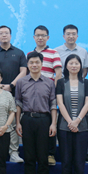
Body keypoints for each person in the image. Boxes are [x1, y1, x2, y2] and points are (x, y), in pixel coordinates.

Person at [15, 51, 57, 174]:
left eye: (37, 62)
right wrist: (18, 122)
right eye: (31, 62)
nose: (34, 65)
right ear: (27, 64)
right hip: (27, 120)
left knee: (43, 157)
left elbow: (53, 104)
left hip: (44, 120)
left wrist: (53, 123)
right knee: (29, 156)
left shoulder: (49, 82)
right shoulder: (21, 82)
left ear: (42, 64)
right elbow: (18, 103)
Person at [54, 24, 88, 164]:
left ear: (77, 36)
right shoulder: (56, 51)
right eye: (68, 34)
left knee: (79, 159)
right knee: (66, 159)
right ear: (63, 36)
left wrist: (77, 82)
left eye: (73, 34)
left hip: (79, 89)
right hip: (63, 88)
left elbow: (85, 70)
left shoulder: (83, 51)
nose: (71, 36)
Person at [0, 25, 27, 163]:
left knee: (13, 123)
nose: (4, 35)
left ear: (10, 35)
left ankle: (14, 152)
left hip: (15, 93)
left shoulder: (19, 53)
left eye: (6, 33)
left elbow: (23, 71)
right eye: (1, 33)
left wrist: (11, 86)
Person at [56, 54, 88, 174]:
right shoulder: (61, 82)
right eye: (71, 63)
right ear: (66, 66)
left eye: (76, 63)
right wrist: (70, 122)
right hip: (64, 127)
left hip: (82, 127)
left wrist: (77, 121)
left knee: (79, 161)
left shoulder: (87, 83)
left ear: (80, 66)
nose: (74, 66)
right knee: (66, 161)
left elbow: (87, 104)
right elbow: (60, 103)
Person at [32, 25, 62, 166]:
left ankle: (50, 154)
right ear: (34, 37)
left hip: (49, 94)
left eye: (43, 35)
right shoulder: (30, 54)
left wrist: (53, 91)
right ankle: (35, 154)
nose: (40, 38)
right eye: (38, 35)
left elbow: (58, 74)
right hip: (33, 95)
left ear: (48, 37)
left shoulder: (53, 53)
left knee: (50, 124)